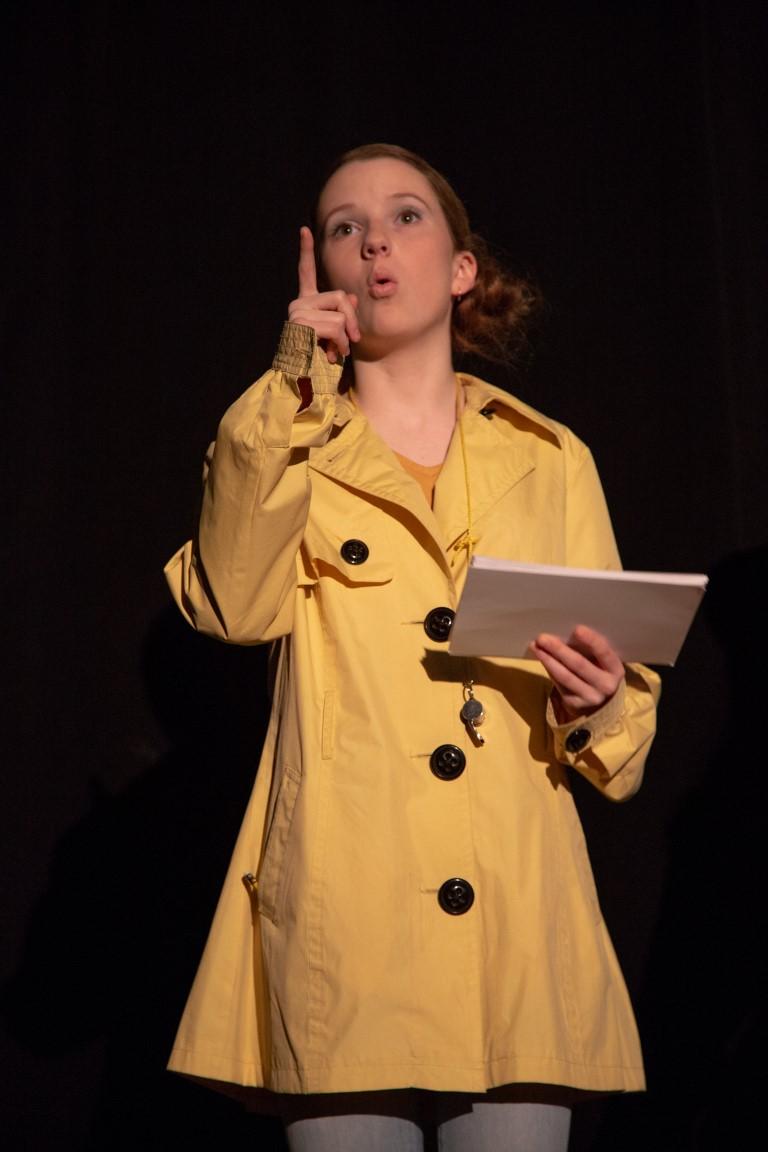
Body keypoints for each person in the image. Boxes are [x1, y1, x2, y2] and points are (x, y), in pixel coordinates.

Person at [164, 142, 661, 1151]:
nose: (373, 243)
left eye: (404, 217)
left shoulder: (549, 457)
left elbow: (625, 707)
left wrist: (600, 701)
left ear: (463, 267)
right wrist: (294, 381)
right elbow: (232, 605)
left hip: (517, 918)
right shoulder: (281, 443)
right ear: (321, 267)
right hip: (348, 917)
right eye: (344, 227)